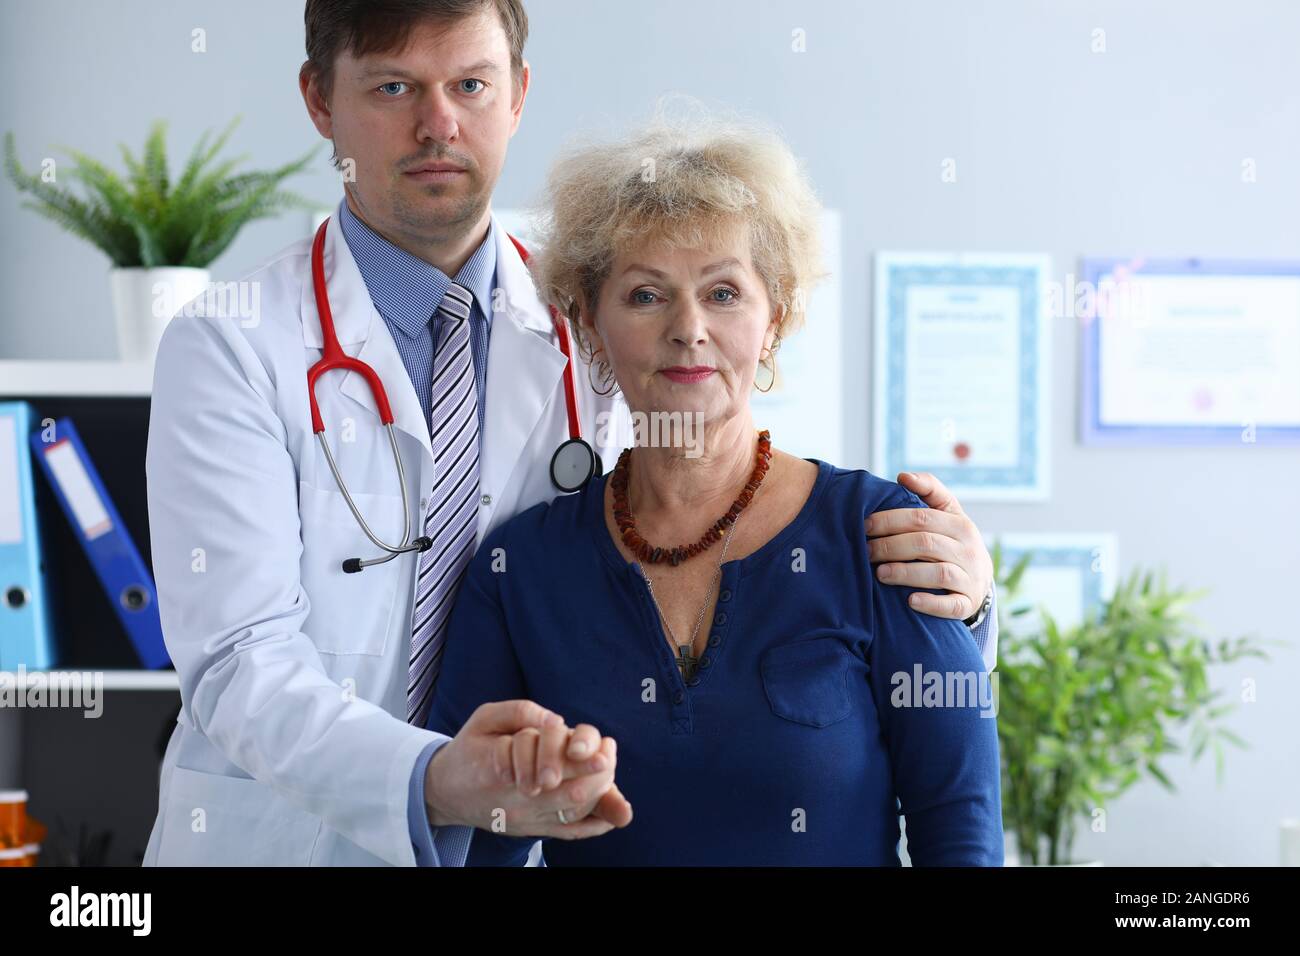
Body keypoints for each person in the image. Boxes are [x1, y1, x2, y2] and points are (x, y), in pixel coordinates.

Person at [143, 0, 996, 867]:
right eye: (394, 86)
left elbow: (730, 482)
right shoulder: (231, 345)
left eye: (471, 85)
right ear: (320, 102)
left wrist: (953, 600)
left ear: (516, 95)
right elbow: (240, 663)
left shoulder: (594, 310)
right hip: (282, 843)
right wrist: (442, 777)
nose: (438, 124)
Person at [427, 107, 1004, 865]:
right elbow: (473, 842)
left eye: (724, 293)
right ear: (590, 327)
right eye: (645, 294)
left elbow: (959, 830)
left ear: (776, 318)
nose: (688, 328)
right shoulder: (520, 571)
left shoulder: (883, 537)